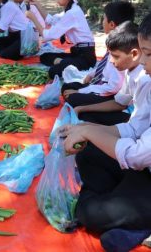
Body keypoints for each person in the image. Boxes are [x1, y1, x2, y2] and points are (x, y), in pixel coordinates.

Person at [62, 13, 151, 252]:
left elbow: (136, 156)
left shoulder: (145, 80)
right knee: (87, 155)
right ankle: (126, 215)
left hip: (143, 168)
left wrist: (90, 131)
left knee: (89, 213)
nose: (146, 64)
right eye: (145, 54)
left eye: (150, 55)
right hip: (142, 167)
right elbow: (135, 128)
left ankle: (137, 223)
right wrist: (87, 129)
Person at [74, 21, 150, 128]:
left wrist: (92, 129)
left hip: (138, 126)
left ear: (134, 54)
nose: (111, 61)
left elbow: (138, 127)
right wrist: (82, 108)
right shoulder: (130, 71)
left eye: (115, 56)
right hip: (135, 123)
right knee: (84, 115)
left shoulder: (144, 79)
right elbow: (119, 103)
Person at [61, 1, 135, 108]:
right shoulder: (115, 43)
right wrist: (91, 75)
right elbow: (104, 66)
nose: (102, 22)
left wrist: (81, 91)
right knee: (67, 87)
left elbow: (113, 87)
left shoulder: (122, 51)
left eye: (103, 18)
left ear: (112, 24)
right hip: (101, 85)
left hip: (111, 94)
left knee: (73, 98)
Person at [27, 0, 96, 78]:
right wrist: (37, 4)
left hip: (85, 57)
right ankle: (64, 62)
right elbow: (51, 20)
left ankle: (65, 63)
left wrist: (33, 18)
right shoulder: (71, 10)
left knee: (52, 72)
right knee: (44, 57)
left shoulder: (72, 13)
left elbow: (47, 36)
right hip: (77, 53)